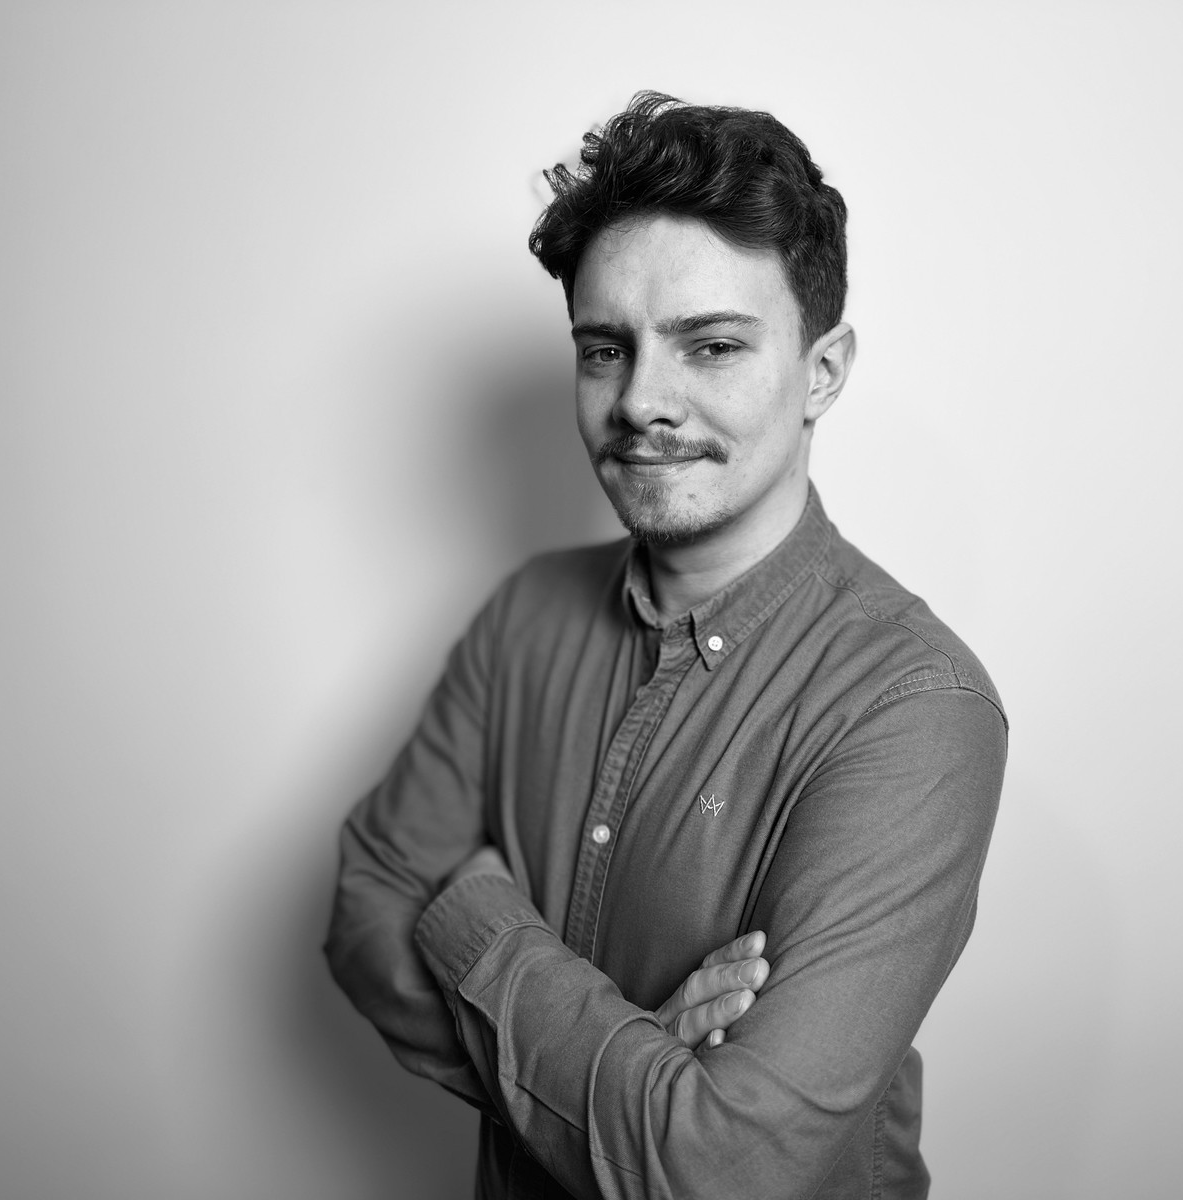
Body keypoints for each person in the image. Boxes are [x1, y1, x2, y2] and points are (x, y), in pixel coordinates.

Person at [325, 92, 1008, 1199]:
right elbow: (365, 909)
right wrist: (635, 1057)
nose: (642, 399)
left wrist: (476, 921)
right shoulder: (524, 617)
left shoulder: (915, 708)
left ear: (823, 371)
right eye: (606, 349)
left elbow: (722, 1170)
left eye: (712, 346)